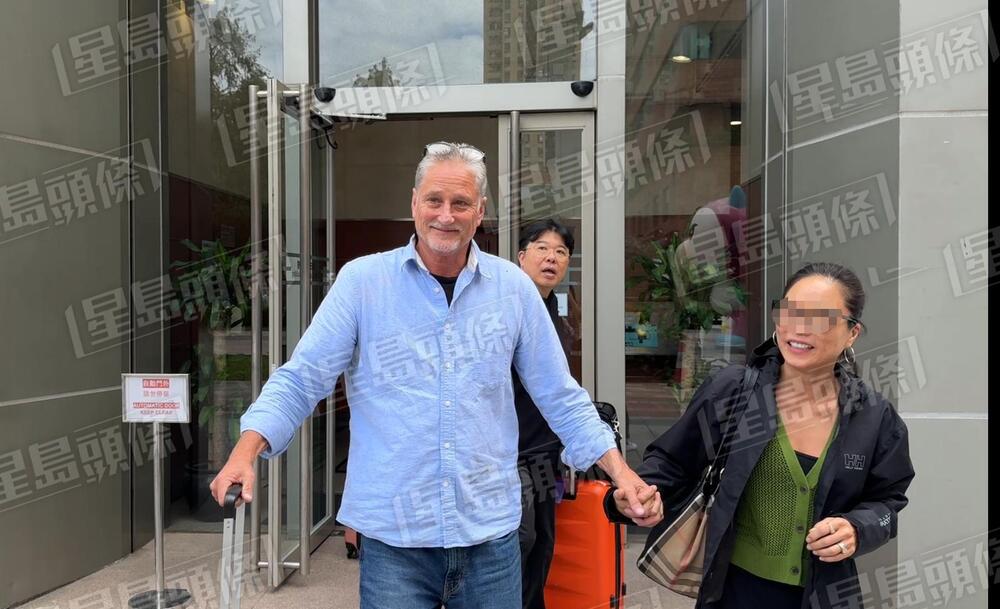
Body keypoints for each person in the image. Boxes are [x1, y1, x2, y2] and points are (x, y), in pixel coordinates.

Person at [209, 142, 662, 609]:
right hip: (394, 545)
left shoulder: (513, 290)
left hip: (489, 539)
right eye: (434, 200)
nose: (446, 215)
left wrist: (621, 474)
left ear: (480, 211)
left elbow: (561, 397)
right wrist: (247, 449)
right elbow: (303, 378)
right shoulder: (363, 282)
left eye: (461, 203)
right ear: (414, 204)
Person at [605, 262, 915, 609]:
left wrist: (858, 528)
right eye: (789, 312)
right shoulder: (733, 391)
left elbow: (888, 502)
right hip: (735, 591)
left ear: (852, 333)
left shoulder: (873, 417)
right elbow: (671, 463)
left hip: (827, 595)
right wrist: (637, 495)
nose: (798, 329)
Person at [513, 218, 576, 609]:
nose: (551, 257)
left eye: (561, 252)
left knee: (542, 545)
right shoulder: (504, 311)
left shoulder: (559, 319)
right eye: (542, 248)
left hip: (544, 453)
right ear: (522, 257)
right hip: (509, 453)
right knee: (520, 540)